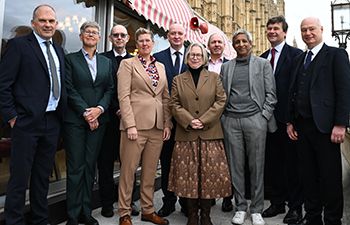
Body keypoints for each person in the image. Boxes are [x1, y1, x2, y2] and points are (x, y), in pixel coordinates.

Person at [0, 4, 67, 225]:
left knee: (41, 178)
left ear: (56, 25)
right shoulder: (19, 46)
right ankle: (13, 221)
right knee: (19, 179)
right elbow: (4, 85)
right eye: (43, 21)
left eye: (51, 21)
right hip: (25, 122)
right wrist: (12, 117)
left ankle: (40, 219)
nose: (47, 25)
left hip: (51, 121)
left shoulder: (58, 49)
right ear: (33, 23)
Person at [286, 17, 350, 225]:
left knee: (330, 178)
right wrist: (290, 122)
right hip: (302, 127)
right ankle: (313, 217)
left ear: (322, 30)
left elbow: (344, 90)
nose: (307, 33)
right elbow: (292, 92)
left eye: (311, 29)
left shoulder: (336, 55)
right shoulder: (299, 59)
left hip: (326, 128)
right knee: (308, 176)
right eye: (304, 30)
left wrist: (341, 123)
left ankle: (332, 219)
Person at [168, 42, 232, 225]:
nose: (195, 57)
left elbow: (221, 100)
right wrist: (189, 120)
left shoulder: (214, 78)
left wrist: (203, 120)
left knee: (208, 177)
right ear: (187, 58)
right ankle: (192, 216)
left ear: (204, 58)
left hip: (210, 134)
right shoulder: (178, 80)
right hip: (186, 135)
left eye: (198, 55)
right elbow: (173, 104)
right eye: (191, 55)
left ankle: (206, 216)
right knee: (188, 177)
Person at [220, 29, 277, 225]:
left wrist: (263, 118)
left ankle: (257, 209)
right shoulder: (226, 67)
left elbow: (271, 95)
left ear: (250, 44)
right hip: (231, 121)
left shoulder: (262, 65)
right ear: (233, 45)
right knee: (235, 167)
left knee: (257, 166)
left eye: (245, 41)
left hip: (255, 120)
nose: (241, 44)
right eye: (237, 42)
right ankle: (241, 206)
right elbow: (221, 96)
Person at [117, 28, 172, 225]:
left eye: (148, 40)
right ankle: (124, 212)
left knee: (149, 172)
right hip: (135, 127)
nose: (145, 44)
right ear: (136, 44)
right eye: (141, 41)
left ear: (153, 43)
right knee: (128, 171)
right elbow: (123, 97)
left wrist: (167, 123)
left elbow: (165, 97)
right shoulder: (127, 64)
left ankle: (148, 210)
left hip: (157, 127)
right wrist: (129, 125)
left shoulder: (162, 67)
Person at [63, 21, 114, 225]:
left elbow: (110, 89)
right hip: (76, 121)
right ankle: (73, 215)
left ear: (100, 38)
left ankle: (86, 211)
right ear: (81, 36)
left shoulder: (106, 62)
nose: (91, 35)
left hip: (98, 121)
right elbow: (69, 88)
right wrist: (86, 112)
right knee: (75, 167)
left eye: (95, 32)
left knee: (90, 167)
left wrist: (99, 110)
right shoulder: (70, 59)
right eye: (88, 32)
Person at [260, 16, 303, 224]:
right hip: (267, 121)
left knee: (292, 165)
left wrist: (293, 120)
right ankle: (276, 202)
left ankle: (295, 207)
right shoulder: (262, 57)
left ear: (284, 32)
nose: (272, 32)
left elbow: (299, 89)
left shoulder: (296, 55)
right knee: (273, 164)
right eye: (269, 29)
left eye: (276, 28)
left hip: (288, 121)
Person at [98, 24, 139, 218]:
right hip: (108, 119)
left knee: (128, 164)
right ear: (110, 38)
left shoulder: (135, 60)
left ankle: (128, 202)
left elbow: (137, 91)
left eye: (123, 35)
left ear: (128, 37)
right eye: (116, 35)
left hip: (129, 120)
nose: (120, 38)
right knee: (105, 163)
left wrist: (127, 110)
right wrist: (115, 108)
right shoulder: (102, 59)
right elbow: (102, 88)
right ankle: (107, 203)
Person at [153, 23, 188, 217]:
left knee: (184, 163)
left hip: (187, 122)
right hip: (165, 120)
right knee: (166, 162)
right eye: (173, 33)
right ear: (168, 36)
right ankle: (168, 202)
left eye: (179, 33)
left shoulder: (194, 56)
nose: (176, 36)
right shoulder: (158, 58)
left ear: (185, 35)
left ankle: (185, 201)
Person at [207, 32, 233, 212]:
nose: (216, 44)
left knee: (228, 159)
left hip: (227, 116)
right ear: (208, 46)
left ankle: (227, 197)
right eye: (213, 42)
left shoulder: (231, 65)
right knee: (207, 158)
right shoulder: (201, 63)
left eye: (219, 42)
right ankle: (208, 195)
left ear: (224, 45)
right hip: (205, 117)